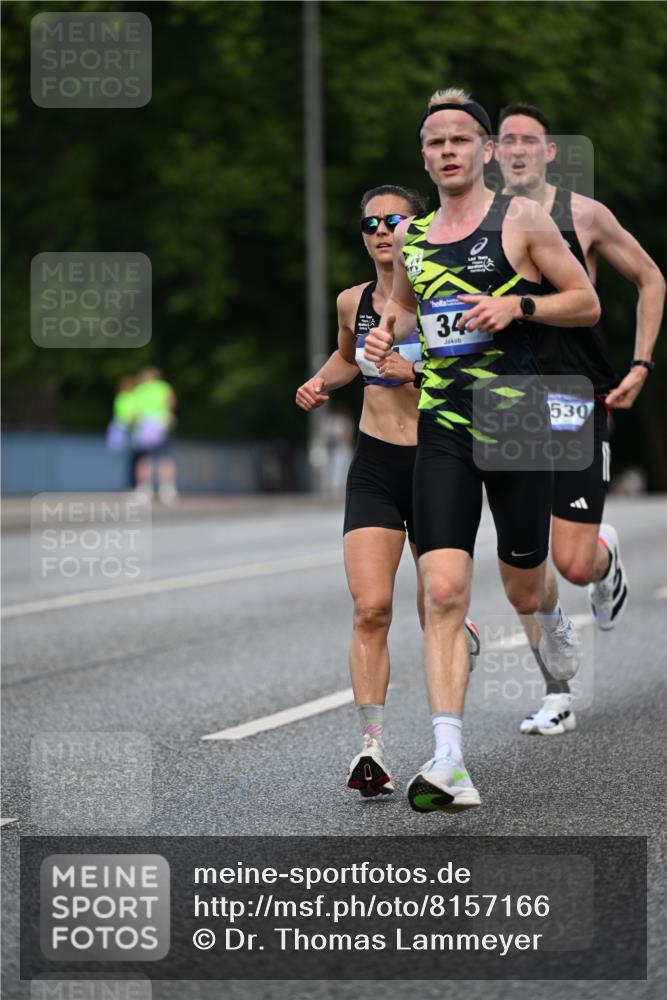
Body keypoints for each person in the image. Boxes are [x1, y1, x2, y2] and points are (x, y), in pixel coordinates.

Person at [364, 89, 600, 813]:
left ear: (486, 150)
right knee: (441, 591)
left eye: (459, 140)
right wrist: (385, 334)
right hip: (442, 424)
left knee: (523, 585)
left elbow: (585, 301)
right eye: (434, 143)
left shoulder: (521, 220)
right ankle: (448, 761)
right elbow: (404, 309)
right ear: (424, 155)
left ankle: (551, 623)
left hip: (519, 417)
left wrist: (518, 305)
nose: (446, 152)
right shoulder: (415, 237)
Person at [296, 184, 481, 799]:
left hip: (438, 459)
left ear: (415, 226)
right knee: (371, 607)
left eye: (392, 220)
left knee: (438, 604)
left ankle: (457, 642)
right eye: (370, 222)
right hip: (375, 463)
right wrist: (321, 381)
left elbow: (481, 369)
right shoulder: (354, 301)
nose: (380, 230)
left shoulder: (442, 296)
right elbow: (349, 357)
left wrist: (418, 370)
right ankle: (371, 747)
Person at [496, 103, 665, 735]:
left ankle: (603, 556)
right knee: (522, 561)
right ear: (491, 154)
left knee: (569, 563)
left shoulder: (583, 215)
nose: (516, 150)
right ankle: (555, 689)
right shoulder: (472, 224)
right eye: (505, 140)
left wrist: (641, 364)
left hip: (573, 395)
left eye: (528, 141)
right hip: (503, 402)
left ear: (548, 152)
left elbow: (651, 279)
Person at [132, 367, 178, 503]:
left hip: (146, 424)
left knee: (146, 458)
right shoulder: (162, 387)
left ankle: (145, 489)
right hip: (159, 422)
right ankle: (167, 489)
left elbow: (135, 411)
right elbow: (171, 403)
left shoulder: (140, 390)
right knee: (164, 457)